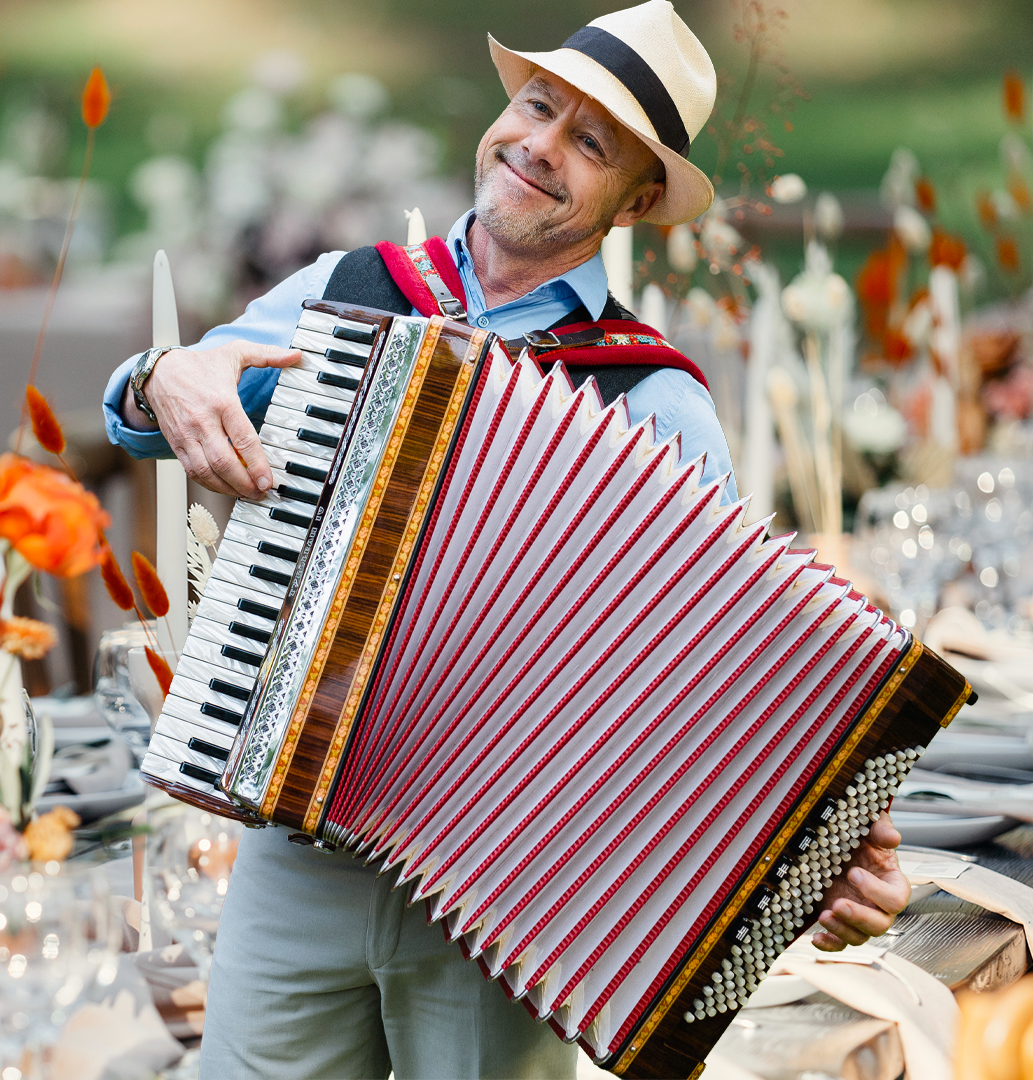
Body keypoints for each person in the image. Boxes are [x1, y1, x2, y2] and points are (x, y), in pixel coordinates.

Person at [103, 3, 911, 1077]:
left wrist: (824, 838)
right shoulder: (352, 294)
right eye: (537, 107)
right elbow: (144, 410)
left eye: (590, 143)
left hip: (501, 901)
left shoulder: (653, 403)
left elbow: (731, 671)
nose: (539, 146)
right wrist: (164, 374)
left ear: (636, 198)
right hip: (292, 853)